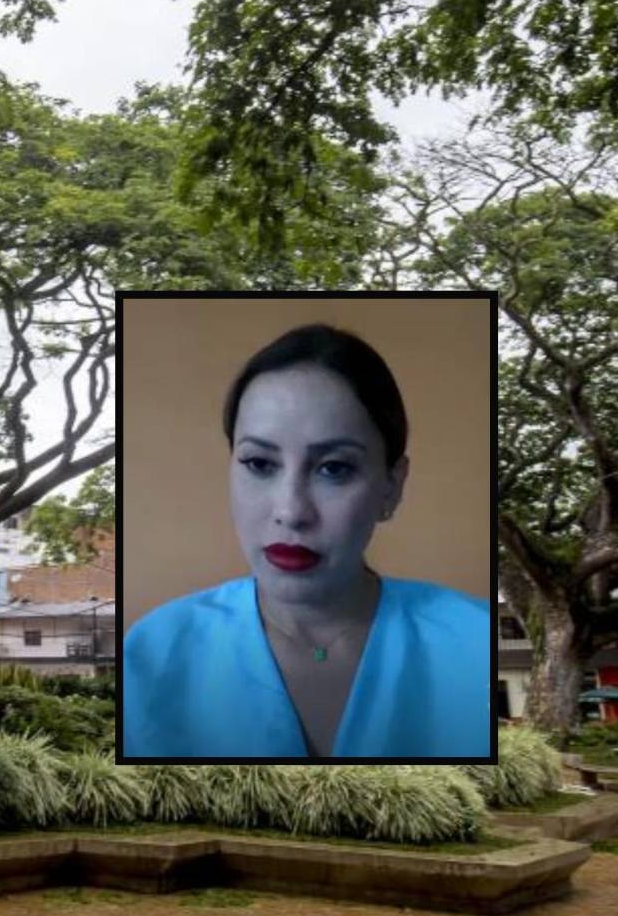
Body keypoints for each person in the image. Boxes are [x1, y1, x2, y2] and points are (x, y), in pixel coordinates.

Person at [123, 323, 490, 759]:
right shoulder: (154, 651)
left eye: (334, 468)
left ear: (392, 486)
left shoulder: (476, 641)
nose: (292, 510)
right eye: (259, 463)